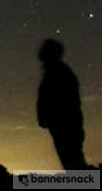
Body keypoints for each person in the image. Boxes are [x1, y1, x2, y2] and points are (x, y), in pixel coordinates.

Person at [37, 38, 88, 170]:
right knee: (74, 166)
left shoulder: (59, 73)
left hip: (65, 127)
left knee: (74, 167)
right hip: (64, 127)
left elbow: (67, 102)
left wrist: (49, 118)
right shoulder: (57, 72)